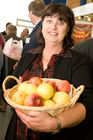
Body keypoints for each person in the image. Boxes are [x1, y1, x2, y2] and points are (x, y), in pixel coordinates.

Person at [1, 3, 93, 140]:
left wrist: (54, 123)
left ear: (68, 28)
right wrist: (14, 95)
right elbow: (8, 90)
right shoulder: (28, 56)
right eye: (49, 20)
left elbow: (89, 103)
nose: (53, 27)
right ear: (42, 25)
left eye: (61, 22)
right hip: (19, 133)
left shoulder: (79, 61)